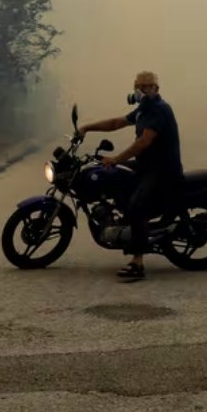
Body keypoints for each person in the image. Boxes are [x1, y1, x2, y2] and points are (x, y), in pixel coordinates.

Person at [76, 70, 183, 280]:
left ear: (156, 89)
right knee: (116, 181)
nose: (143, 90)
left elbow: (144, 141)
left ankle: (138, 262)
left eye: (148, 86)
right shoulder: (143, 110)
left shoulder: (159, 110)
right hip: (146, 165)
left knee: (136, 204)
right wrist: (87, 128)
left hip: (161, 169)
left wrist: (117, 158)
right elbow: (117, 123)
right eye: (139, 86)